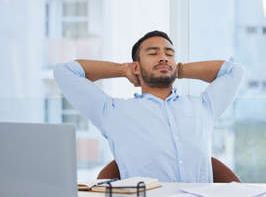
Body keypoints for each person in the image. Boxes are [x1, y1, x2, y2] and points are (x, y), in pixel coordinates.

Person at [53, 30, 245, 183]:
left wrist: (179, 70)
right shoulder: (112, 111)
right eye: (153, 53)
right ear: (136, 67)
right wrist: (123, 69)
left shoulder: (203, 107)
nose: (163, 57)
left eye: (169, 54)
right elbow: (65, 72)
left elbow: (233, 71)